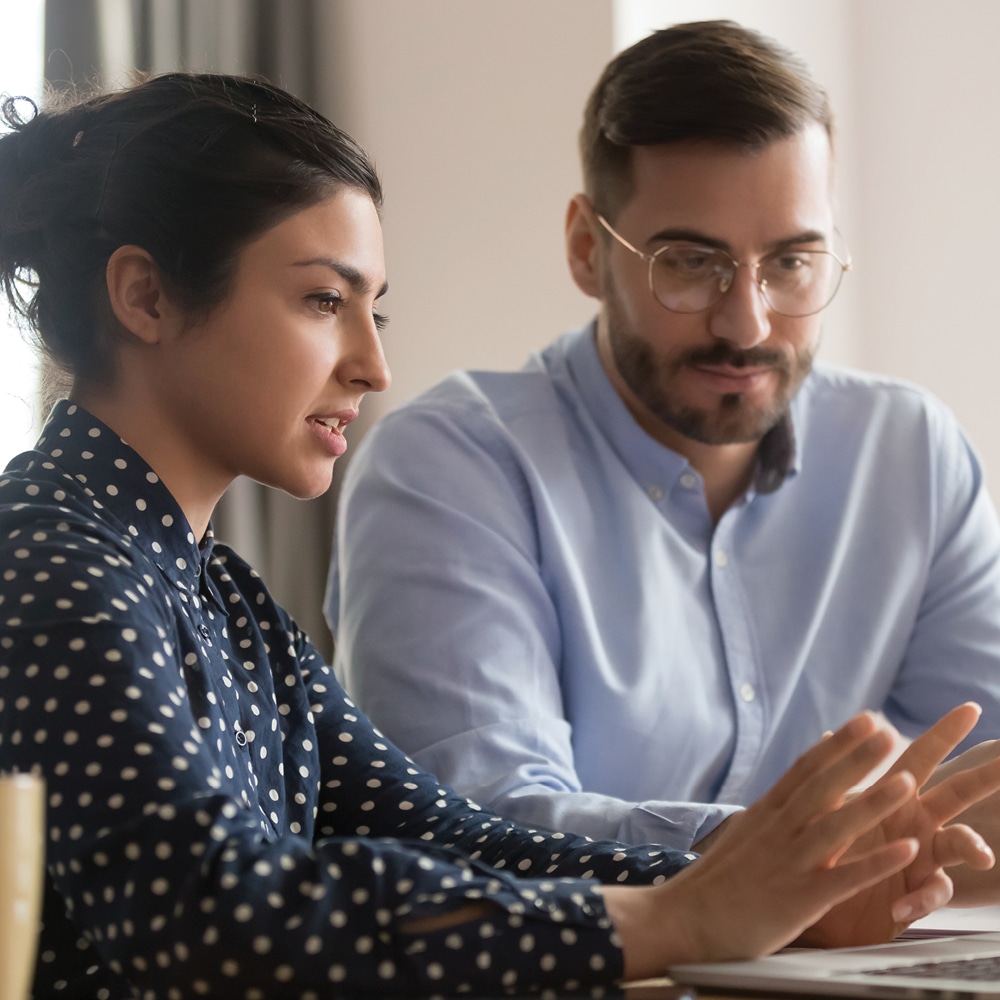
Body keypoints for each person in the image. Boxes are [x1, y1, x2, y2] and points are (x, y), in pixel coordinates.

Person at [8, 71, 1000, 1000]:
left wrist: (779, 890)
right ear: (143, 296)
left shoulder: (216, 592)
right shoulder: (52, 564)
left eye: (373, 310)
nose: (371, 366)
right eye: (323, 299)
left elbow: (452, 839)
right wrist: (677, 917)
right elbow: (210, 921)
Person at [326, 19, 1000, 904]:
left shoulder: (910, 454)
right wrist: (805, 854)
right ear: (586, 248)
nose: (746, 323)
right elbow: (479, 828)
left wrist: (866, 850)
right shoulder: (448, 467)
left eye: (792, 263)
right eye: (692, 263)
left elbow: (975, 789)